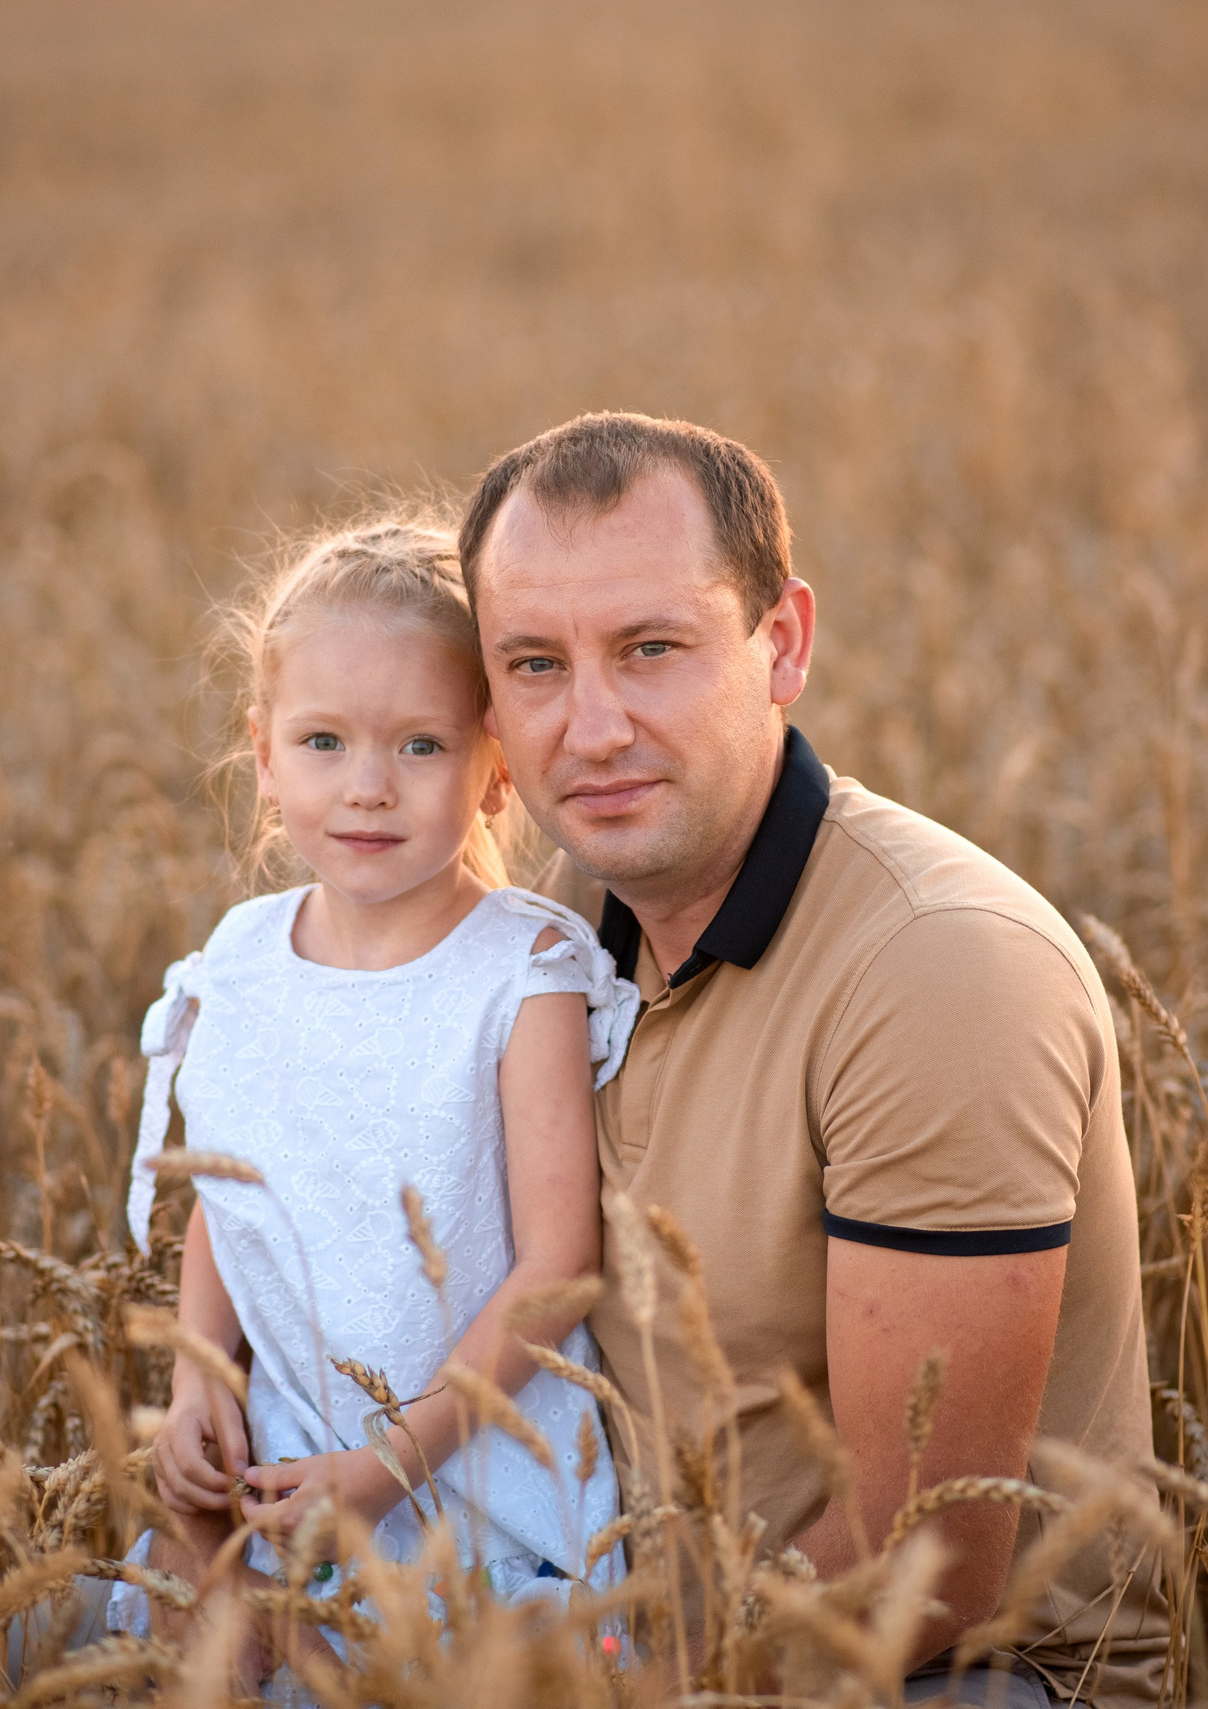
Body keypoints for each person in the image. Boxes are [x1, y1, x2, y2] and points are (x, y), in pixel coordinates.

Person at [460, 414, 1170, 1708]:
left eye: (651, 650)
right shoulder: (560, 933)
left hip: (963, 1679)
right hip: (635, 1642)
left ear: (780, 643)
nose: (593, 724)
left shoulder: (937, 970)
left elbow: (929, 1560)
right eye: (535, 665)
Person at [111, 519, 631, 1688]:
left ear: (495, 765)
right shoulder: (241, 958)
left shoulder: (522, 971)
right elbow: (232, 1187)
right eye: (323, 740)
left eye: (419, 744)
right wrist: (201, 1369)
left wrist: (393, 1458)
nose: (366, 785)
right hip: (298, 1475)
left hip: (478, 1481)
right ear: (262, 753)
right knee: (197, 1647)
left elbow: (557, 1262)